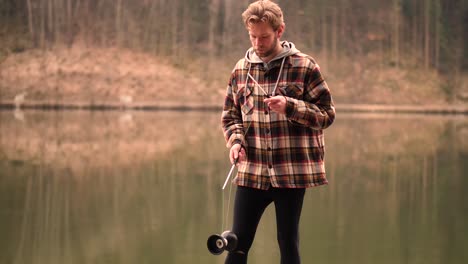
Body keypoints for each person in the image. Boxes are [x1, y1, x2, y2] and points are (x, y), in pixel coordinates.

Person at [220, 1, 336, 263]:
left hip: (290, 172)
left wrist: (290, 107)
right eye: (253, 36)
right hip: (252, 171)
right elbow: (230, 116)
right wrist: (236, 142)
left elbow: (327, 115)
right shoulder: (241, 69)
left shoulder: (305, 66)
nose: (258, 43)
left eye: (264, 36)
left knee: (287, 243)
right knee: (236, 245)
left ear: (279, 31)